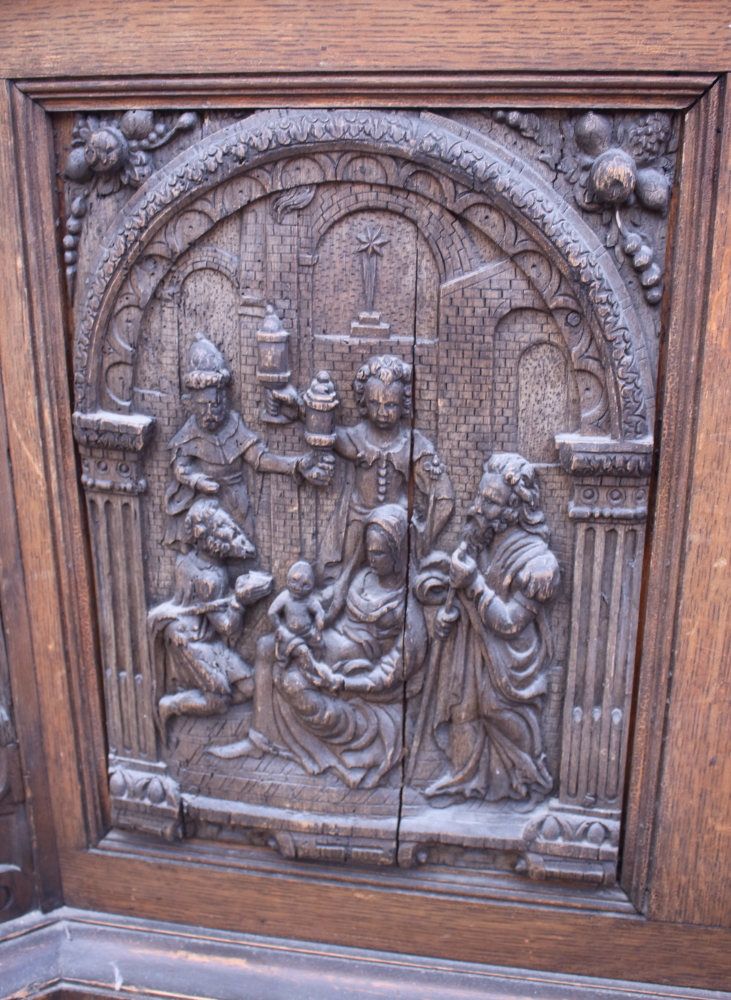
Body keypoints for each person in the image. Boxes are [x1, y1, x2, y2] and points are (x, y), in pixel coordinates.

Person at [210, 504, 428, 790]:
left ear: (399, 552)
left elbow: (397, 667)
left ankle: (328, 750)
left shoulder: (404, 604)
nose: (371, 558)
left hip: (353, 665)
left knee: (292, 682)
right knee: (265, 647)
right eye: (369, 551)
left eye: (379, 553)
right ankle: (259, 738)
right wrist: (295, 606)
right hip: (327, 642)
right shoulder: (361, 577)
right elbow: (328, 602)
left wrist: (343, 682)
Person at [425, 453, 559, 806]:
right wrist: (447, 613)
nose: (478, 506)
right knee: (462, 708)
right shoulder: (482, 538)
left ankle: (528, 776)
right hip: (473, 644)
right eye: (481, 496)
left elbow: (511, 622)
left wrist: (473, 584)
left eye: (491, 502)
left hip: (509, 658)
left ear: (515, 508)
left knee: (494, 709)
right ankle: (465, 778)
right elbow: (462, 587)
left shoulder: (539, 563)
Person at [164, 334, 333, 552]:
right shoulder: (189, 433)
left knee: (245, 555)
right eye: (202, 406)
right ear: (190, 405)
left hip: (238, 501)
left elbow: (259, 459)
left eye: (216, 405)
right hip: (207, 509)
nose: (210, 412)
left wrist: (297, 464)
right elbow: (180, 467)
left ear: (224, 400)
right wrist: (197, 481)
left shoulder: (233, 425)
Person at [318, 354, 454, 622]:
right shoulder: (356, 438)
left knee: (397, 587)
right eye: (375, 403)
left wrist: (420, 534)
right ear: (363, 402)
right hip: (357, 526)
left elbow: (445, 497)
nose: (382, 412)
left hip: (396, 532)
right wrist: (301, 407)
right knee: (340, 582)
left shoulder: (414, 444)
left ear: (404, 403)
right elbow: (324, 431)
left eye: (391, 404)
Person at [149, 498, 272, 732]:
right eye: (223, 529)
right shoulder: (211, 577)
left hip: (191, 632)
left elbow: (199, 603)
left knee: (249, 687)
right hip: (192, 639)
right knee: (219, 701)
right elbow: (226, 627)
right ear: (210, 541)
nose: (232, 531)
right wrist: (240, 601)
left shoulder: (186, 560)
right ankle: (173, 704)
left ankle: (208, 688)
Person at [268, 560, 325, 664]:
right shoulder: (285, 597)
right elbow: (272, 612)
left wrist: (319, 621)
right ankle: (286, 663)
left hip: (307, 632)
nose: (299, 588)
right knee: (285, 648)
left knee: (319, 644)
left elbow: (318, 611)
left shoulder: (308, 600)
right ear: (287, 580)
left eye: (305, 585)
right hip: (290, 633)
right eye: (294, 581)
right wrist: (279, 627)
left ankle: (317, 664)